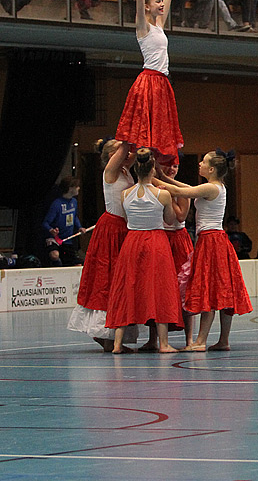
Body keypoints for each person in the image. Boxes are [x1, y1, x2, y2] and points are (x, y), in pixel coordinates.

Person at [155, 150, 253, 351]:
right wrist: (164, 176)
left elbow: (183, 193)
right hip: (216, 240)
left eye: (203, 162)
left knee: (209, 288)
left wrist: (152, 183)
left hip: (211, 241)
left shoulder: (211, 188)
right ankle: (223, 340)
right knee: (223, 290)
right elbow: (189, 188)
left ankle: (200, 341)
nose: (199, 163)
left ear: (211, 169)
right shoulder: (216, 186)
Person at [105, 149, 181, 354]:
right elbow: (171, 219)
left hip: (132, 241)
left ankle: (117, 343)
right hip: (156, 241)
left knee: (126, 288)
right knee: (160, 289)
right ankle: (163, 343)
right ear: (153, 169)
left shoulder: (124, 194)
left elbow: (129, 219)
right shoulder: (162, 194)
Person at [115, 0, 184, 166]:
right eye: (157, 2)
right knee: (145, 131)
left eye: (160, 1)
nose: (162, 3)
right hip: (149, 80)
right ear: (146, 7)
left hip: (162, 81)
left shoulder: (160, 25)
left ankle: (153, 167)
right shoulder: (142, 27)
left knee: (160, 130)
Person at [67, 140, 135, 351]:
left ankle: (112, 336)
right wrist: (128, 132)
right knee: (107, 278)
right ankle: (105, 332)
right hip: (111, 230)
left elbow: (136, 151)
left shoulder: (125, 168)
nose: (126, 152)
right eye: (119, 150)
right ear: (111, 155)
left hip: (123, 229)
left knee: (120, 279)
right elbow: (126, 147)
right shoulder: (110, 170)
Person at [139, 159, 195, 351]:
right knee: (156, 290)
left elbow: (180, 216)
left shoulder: (182, 190)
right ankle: (153, 338)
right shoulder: (150, 186)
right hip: (159, 238)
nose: (171, 169)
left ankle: (189, 339)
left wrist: (167, 194)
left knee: (184, 290)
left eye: (176, 166)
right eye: (167, 165)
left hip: (178, 240)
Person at [42, 176, 86, 266]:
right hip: (55, 239)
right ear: (70, 188)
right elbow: (45, 223)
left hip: (68, 240)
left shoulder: (74, 202)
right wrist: (51, 230)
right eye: (76, 186)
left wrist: (80, 227)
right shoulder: (56, 204)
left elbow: (74, 217)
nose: (79, 188)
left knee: (77, 264)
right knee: (54, 255)